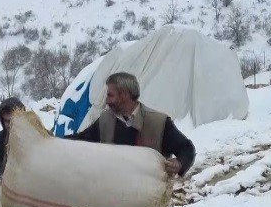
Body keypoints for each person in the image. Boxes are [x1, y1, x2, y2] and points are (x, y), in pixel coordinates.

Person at [68, 72, 196, 176]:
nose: (107, 101)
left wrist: (179, 163)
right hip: (111, 193)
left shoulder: (159, 122)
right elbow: (82, 139)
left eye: (110, 95)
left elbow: (186, 148)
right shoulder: (106, 120)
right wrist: (52, 139)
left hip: (145, 199)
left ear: (124, 95)